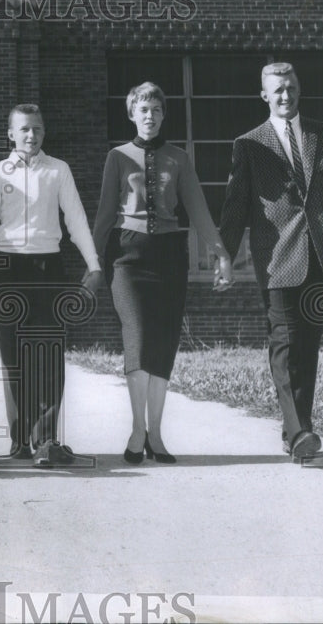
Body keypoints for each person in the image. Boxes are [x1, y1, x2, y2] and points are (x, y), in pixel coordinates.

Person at [218, 62, 323, 460]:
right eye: (277, 90)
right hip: (277, 259)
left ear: (298, 89)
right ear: (264, 96)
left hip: (321, 255)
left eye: (290, 88)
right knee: (285, 345)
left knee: (308, 347)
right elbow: (236, 208)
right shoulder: (249, 143)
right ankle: (301, 431)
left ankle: (295, 433)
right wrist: (224, 256)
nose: (285, 96)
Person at [92, 83, 234, 465]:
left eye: (156, 109)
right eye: (143, 109)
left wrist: (221, 255)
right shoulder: (117, 157)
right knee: (137, 337)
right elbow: (106, 213)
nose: (150, 116)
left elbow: (199, 210)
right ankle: (137, 429)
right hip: (127, 256)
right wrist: (91, 262)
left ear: (163, 114)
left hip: (170, 256)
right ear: (131, 114)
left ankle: (156, 433)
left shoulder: (179, 158)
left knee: (163, 344)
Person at [0, 104, 105, 468]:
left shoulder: (58, 170)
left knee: (47, 355)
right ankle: (20, 438)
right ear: (11, 134)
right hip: (6, 269)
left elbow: (76, 218)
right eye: (25, 129)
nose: (32, 136)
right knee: (14, 358)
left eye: (38, 130)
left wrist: (93, 266)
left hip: (48, 268)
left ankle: (45, 440)